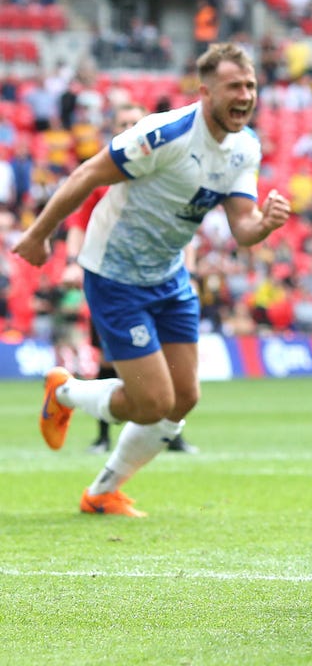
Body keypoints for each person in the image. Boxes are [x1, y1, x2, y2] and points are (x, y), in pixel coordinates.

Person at [13, 42, 291, 516]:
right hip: (115, 274)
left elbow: (242, 226)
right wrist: (39, 235)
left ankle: (102, 491)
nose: (245, 95)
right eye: (234, 86)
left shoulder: (244, 148)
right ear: (205, 92)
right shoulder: (163, 135)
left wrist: (262, 225)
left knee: (183, 398)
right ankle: (64, 392)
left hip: (169, 274)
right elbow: (86, 174)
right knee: (151, 402)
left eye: (251, 86)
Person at [62, 102, 199, 456]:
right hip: (115, 283)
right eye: (123, 123)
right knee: (111, 361)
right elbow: (79, 225)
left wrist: (190, 271)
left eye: (134, 122)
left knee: (174, 366)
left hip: (163, 281)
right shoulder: (103, 176)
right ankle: (103, 436)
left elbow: (184, 229)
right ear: (114, 129)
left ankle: (172, 434)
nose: (129, 127)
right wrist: (74, 262)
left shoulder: (166, 170)